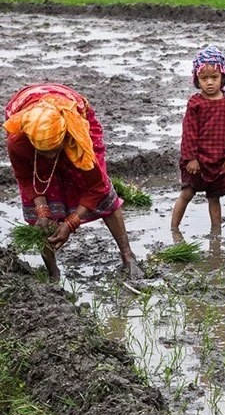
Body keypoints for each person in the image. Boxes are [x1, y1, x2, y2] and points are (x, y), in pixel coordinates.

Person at [3, 82, 143, 281]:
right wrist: (42, 209)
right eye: (44, 152)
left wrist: (71, 222)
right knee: (40, 216)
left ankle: (128, 255)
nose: (50, 157)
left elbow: (97, 187)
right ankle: (53, 272)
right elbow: (25, 177)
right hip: (31, 122)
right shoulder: (18, 141)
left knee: (101, 192)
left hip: (73, 120)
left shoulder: (77, 138)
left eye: (54, 150)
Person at [170, 46, 225, 233]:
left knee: (214, 198)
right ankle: (174, 229)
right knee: (187, 192)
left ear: (222, 77)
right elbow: (189, 133)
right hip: (197, 161)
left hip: (219, 161)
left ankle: (216, 233)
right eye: (204, 78)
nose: (209, 83)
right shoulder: (195, 103)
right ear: (196, 79)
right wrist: (190, 158)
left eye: (214, 77)